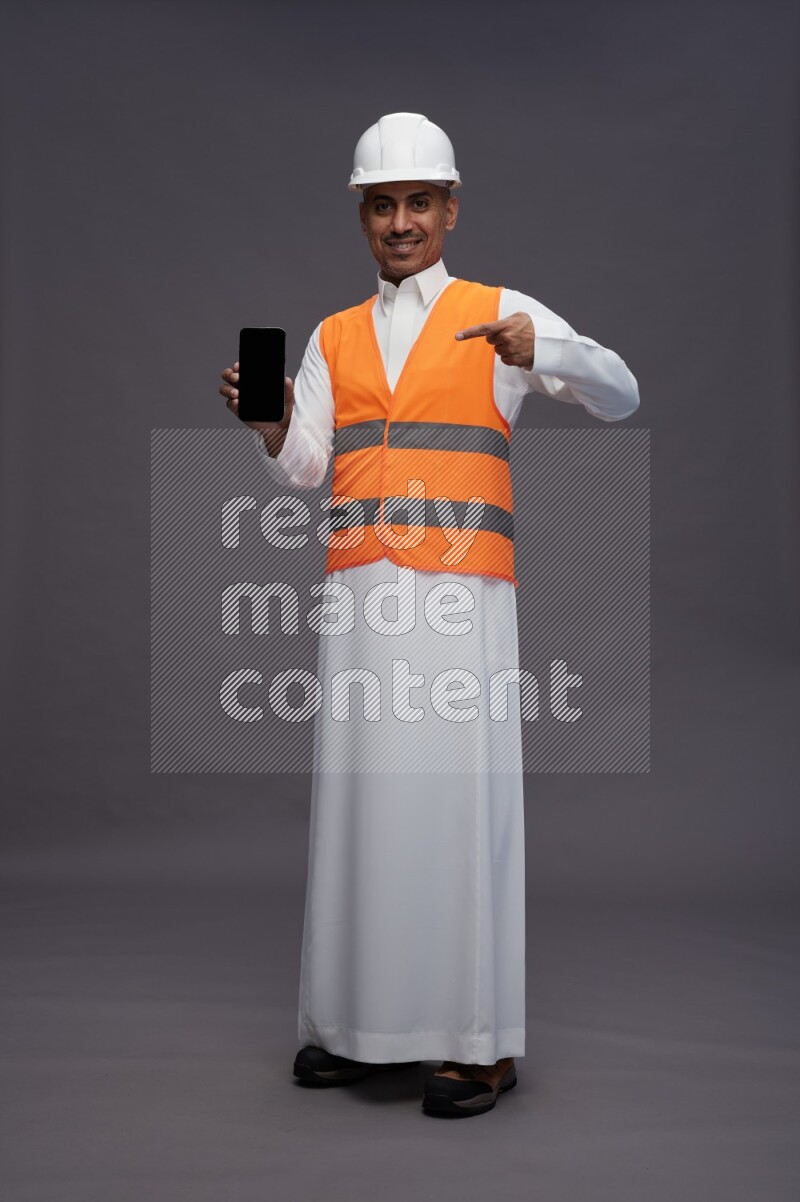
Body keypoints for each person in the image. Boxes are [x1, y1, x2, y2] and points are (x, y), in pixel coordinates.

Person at [220, 112, 640, 1118]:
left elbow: (620, 394)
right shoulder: (332, 335)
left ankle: (476, 1044)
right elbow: (305, 467)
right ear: (362, 216)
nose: (400, 222)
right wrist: (271, 424)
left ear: (450, 209)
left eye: (417, 202)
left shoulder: (501, 314)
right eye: (382, 205)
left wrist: (549, 348)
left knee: (457, 808)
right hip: (361, 596)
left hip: (460, 602)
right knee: (361, 808)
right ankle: (355, 1029)